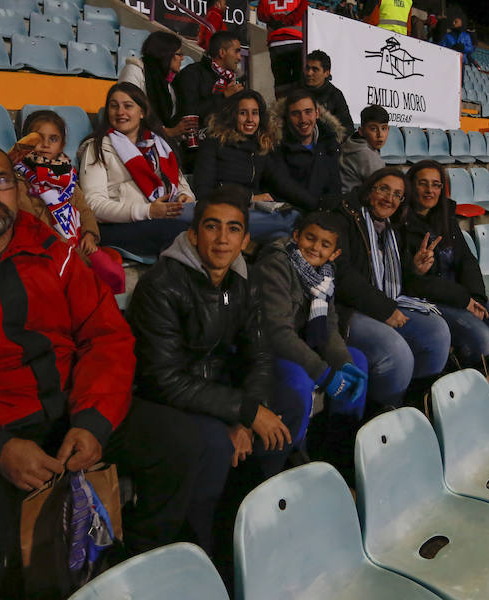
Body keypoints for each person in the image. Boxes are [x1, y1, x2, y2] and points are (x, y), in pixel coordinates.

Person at [0, 143, 210, 599]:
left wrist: (93, 420)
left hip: (72, 410)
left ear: (19, 190)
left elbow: (106, 337)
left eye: (2, 181)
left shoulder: (57, 254)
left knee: (186, 444)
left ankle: (128, 569)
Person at [126, 185, 301, 555]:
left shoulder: (245, 278)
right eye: (212, 227)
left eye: (233, 229)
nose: (222, 239)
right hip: (169, 398)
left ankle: (253, 508)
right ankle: (203, 542)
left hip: (219, 386)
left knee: (291, 402)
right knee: (210, 443)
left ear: (246, 239)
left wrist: (247, 415)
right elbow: (164, 379)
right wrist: (248, 411)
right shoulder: (161, 285)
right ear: (193, 233)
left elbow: (260, 354)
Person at [254, 212, 368, 473]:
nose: (316, 247)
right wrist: (324, 373)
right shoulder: (276, 264)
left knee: (357, 361)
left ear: (334, 253)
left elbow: (328, 326)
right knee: (300, 380)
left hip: (300, 343)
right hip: (270, 347)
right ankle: (289, 457)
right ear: (296, 236)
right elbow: (278, 332)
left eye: (325, 244)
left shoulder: (326, 274)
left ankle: (336, 452)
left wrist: (344, 364)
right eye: (310, 238)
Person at [332, 167, 451, 409]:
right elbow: (341, 275)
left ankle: (416, 407)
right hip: (344, 308)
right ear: (369, 189)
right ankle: (383, 417)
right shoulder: (343, 217)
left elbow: (396, 276)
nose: (390, 198)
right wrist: (385, 309)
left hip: (380, 302)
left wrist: (415, 269)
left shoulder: (391, 226)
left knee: (436, 331)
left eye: (398, 194)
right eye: (384, 189)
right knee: (396, 353)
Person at [400, 161, 489, 367]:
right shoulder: (400, 224)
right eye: (423, 184)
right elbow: (417, 283)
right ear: (411, 186)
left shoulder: (446, 218)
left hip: (461, 296)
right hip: (430, 300)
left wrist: (476, 297)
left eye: (436, 185)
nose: (430, 190)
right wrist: (464, 300)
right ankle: (459, 377)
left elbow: (466, 260)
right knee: (483, 340)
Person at [10, 110, 125, 293]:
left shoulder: (68, 178)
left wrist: (89, 235)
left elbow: (85, 210)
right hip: (44, 251)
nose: (45, 145)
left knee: (109, 275)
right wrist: (65, 247)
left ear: (62, 145)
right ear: (26, 142)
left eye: (53, 139)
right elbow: (32, 223)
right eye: (38, 139)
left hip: (77, 244)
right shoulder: (19, 180)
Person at [79, 83, 195, 256]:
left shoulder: (160, 145)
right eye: (114, 106)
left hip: (162, 217)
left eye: (128, 106)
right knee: (186, 232)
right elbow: (93, 205)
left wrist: (185, 197)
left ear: (142, 112)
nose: (120, 112)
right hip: (118, 226)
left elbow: (181, 185)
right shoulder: (97, 147)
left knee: (214, 218)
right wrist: (146, 211)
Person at [193, 89, 318, 240]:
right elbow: (203, 190)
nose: (250, 119)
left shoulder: (260, 147)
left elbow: (284, 183)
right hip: (221, 212)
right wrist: (250, 197)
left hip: (252, 212)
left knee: (291, 223)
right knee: (290, 225)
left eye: (255, 113)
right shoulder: (213, 143)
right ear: (233, 115)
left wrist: (318, 205)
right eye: (243, 113)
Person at [274, 88, 344, 211]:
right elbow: (285, 188)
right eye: (296, 114)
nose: (303, 119)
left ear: (317, 113)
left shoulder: (330, 144)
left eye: (308, 112)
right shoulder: (277, 148)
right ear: (287, 117)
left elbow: (335, 188)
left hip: (327, 215)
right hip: (293, 215)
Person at [118, 31, 191, 140]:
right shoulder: (134, 71)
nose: (182, 58)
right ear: (166, 54)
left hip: (159, 142)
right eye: (179, 54)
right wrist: (167, 132)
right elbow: (125, 114)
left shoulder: (169, 83)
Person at [174, 30, 244, 131]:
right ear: (222, 52)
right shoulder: (192, 73)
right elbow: (190, 114)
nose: (239, 57)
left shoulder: (234, 80)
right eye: (236, 51)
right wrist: (223, 96)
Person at [255, 0, 307, 92]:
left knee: (281, 82)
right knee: (299, 81)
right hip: (296, 40)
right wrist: (285, 21)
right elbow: (302, 9)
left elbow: (260, 15)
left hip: (276, 42)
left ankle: (281, 105)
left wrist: (274, 21)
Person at [299, 50, 354, 135]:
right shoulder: (296, 91)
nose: (309, 73)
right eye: (307, 68)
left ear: (326, 73)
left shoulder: (335, 95)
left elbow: (347, 129)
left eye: (315, 69)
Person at [339, 104, 389, 193]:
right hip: (352, 203)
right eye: (373, 129)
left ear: (388, 129)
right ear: (361, 131)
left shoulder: (352, 144)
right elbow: (382, 191)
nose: (380, 134)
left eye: (384, 128)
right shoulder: (366, 154)